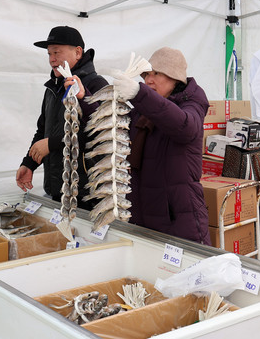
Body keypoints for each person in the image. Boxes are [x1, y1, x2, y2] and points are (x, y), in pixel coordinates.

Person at [106, 47, 210, 244]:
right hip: (143, 215)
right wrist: (84, 98)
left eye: (157, 74)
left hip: (179, 218)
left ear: (175, 77)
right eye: (146, 74)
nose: (149, 80)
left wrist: (140, 94)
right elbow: (112, 128)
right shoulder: (142, 110)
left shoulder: (192, 102)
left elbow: (185, 127)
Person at [14, 26, 108, 206]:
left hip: (87, 194)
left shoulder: (97, 85)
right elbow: (43, 130)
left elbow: (100, 133)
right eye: (49, 54)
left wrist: (52, 144)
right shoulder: (52, 88)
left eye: (56, 52)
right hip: (57, 189)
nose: (52, 59)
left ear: (78, 52)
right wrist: (29, 164)